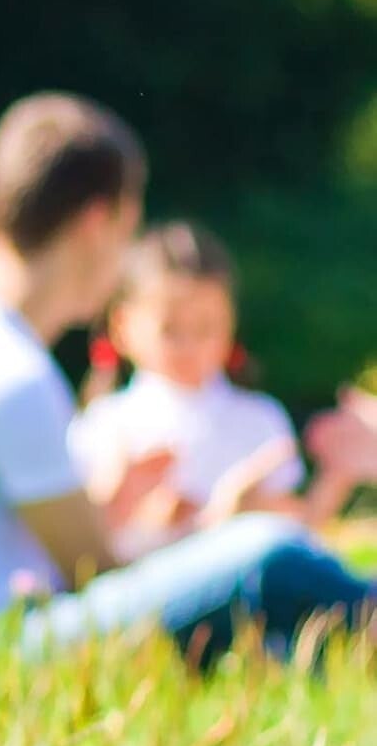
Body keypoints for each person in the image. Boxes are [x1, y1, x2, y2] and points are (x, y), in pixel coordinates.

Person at [0, 92, 372, 661]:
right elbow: (97, 575)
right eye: (127, 230)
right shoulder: (9, 371)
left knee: (275, 636)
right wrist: (216, 529)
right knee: (266, 551)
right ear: (97, 222)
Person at [68, 222, 361, 559]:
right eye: (170, 330)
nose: (189, 346)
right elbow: (85, 555)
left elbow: (299, 537)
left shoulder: (259, 419)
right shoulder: (105, 425)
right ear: (122, 326)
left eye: (206, 328)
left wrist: (338, 475)